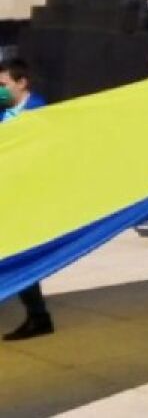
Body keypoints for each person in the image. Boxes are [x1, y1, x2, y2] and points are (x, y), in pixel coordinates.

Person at [1, 59, 53, 341]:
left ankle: (39, 316)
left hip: (29, 197)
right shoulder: (4, 112)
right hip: (6, 194)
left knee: (21, 255)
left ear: (21, 83)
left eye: (2, 85)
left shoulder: (41, 113)